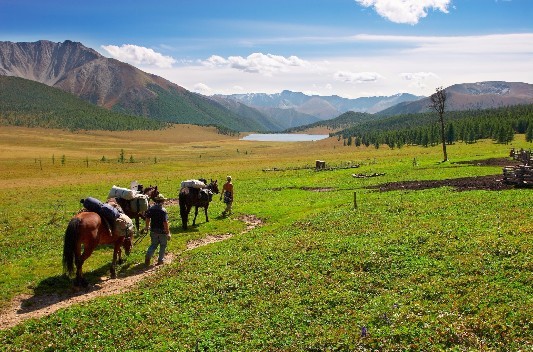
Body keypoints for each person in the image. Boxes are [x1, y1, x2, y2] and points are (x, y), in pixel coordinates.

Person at [144, 193, 171, 266]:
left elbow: (147, 218)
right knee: (163, 245)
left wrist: (147, 226)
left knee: (153, 244)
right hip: (162, 231)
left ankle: (148, 255)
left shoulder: (151, 209)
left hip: (153, 230)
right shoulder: (163, 211)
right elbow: (165, 223)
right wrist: (168, 233)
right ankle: (160, 260)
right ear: (162, 201)